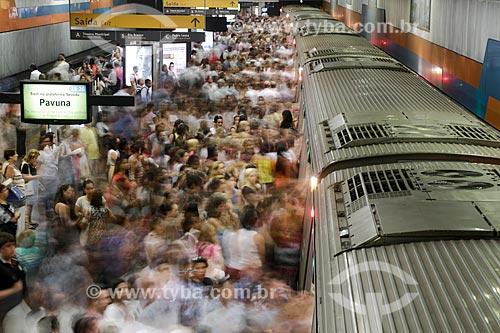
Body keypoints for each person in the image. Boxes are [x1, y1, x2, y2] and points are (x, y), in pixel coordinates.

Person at [0, 232, 25, 331]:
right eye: (8, 246)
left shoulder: (15, 262)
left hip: (18, 309)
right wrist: (14, 290)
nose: (12, 248)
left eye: (13, 245)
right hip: (3, 311)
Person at [20, 149, 41, 229]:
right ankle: (27, 223)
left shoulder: (30, 164)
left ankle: (30, 221)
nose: (36, 160)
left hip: (33, 187)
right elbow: (24, 176)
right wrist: (36, 177)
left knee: (31, 205)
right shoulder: (25, 165)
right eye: (35, 158)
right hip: (29, 187)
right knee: (28, 205)